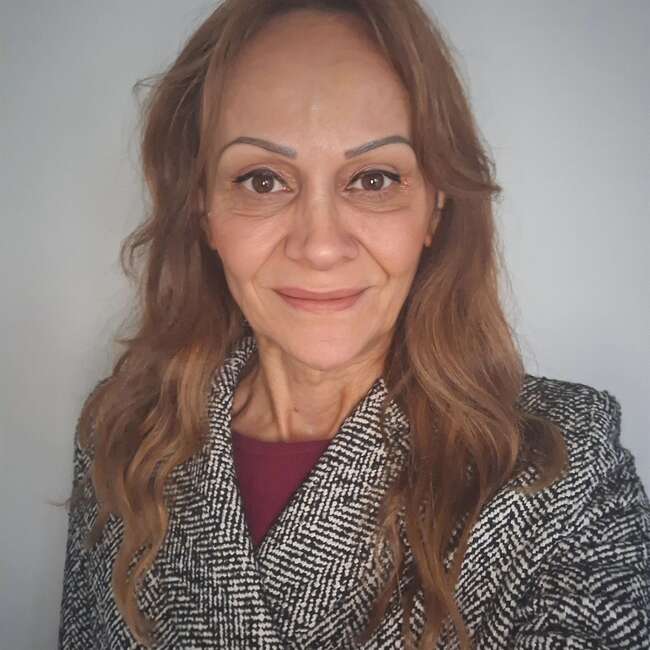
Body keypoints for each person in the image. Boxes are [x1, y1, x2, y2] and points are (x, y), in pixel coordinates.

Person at [58, 1, 650, 648]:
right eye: (262, 180)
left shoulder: (563, 466)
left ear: (435, 207)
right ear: (203, 209)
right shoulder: (119, 437)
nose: (319, 246)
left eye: (373, 179)